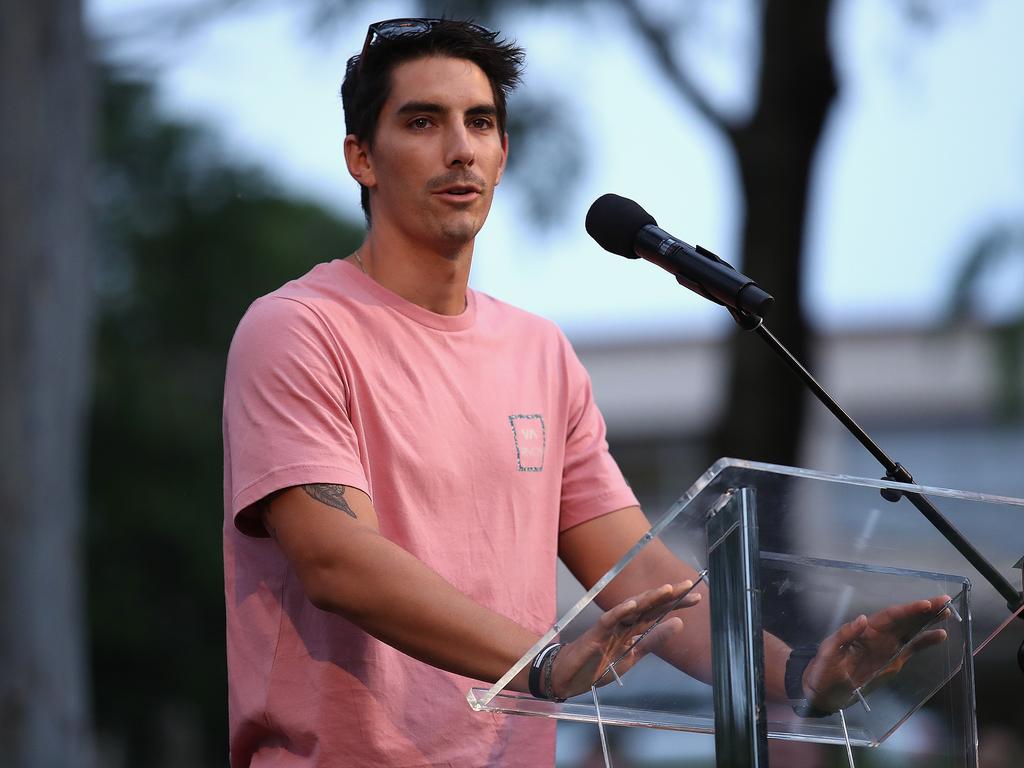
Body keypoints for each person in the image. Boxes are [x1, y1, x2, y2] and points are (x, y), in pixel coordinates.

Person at [222, 18, 948, 767]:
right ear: (361, 158)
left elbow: (635, 573)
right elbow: (337, 561)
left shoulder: (539, 351)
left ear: (503, 154)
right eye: (421, 121)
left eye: (481, 122)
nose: (460, 147)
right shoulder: (298, 330)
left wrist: (794, 674)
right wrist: (543, 660)